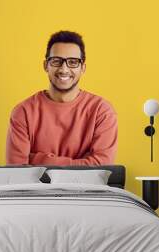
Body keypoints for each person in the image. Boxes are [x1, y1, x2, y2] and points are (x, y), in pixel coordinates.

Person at [6, 30, 118, 166]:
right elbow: (17, 172)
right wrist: (83, 163)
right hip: (34, 189)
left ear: (83, 68)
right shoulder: (23, 112)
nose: (64, 69)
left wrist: (38, 160)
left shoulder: (102, 111)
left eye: (73, 62)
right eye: (56, 61)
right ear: (45, 66)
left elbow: (101, 168)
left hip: (87, 188)